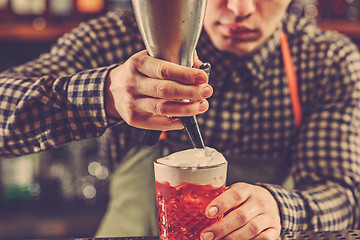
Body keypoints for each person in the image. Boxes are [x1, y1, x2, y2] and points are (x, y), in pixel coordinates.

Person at [1, 0, 360, 239]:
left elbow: (344, 196)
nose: (240, 9)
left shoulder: (325, 61)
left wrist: (281, 210)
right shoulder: (123, 36)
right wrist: (106, 93)